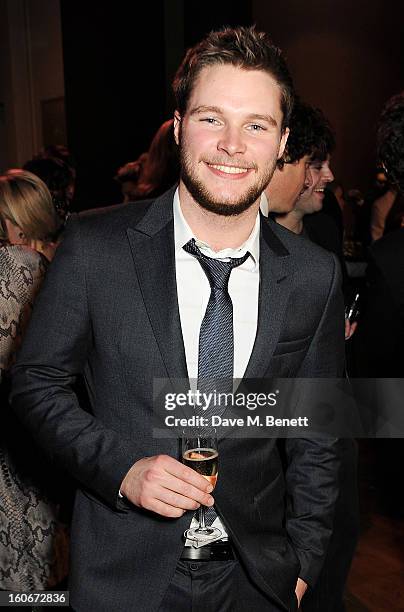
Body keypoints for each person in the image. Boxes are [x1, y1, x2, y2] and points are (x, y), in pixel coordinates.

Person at [12, 27, 345, 612]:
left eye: (257, 125)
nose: (232, 146)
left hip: (256, 579)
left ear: (282, 141)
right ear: (180, 124)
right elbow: (36, 384)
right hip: (123, 577)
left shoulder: (315, 275)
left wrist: (304, 559)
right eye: (212, 118)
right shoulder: (95, 247)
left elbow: (318, 431)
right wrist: (121, 470)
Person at [0, 169, 68, 591]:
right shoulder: (71, 261)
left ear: (16, 224)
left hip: (19, 444)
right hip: (61, 444)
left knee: (23, 583)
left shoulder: (16, 265)